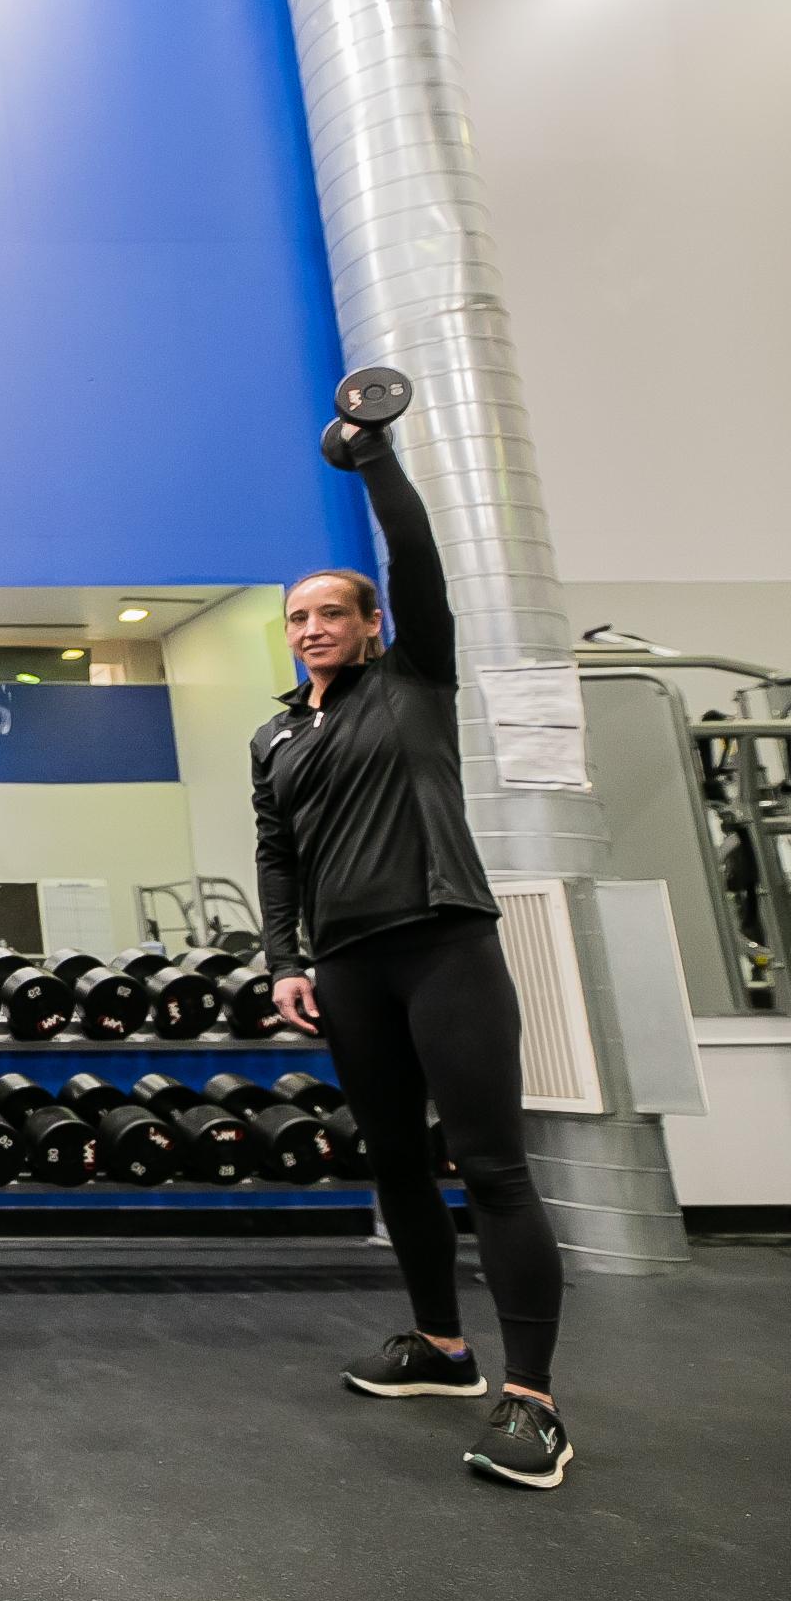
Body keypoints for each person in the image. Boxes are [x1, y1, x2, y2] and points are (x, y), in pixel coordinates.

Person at [253, 409, 571, 1488]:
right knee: (394, 1161)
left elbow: (419, 557)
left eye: (331, 611)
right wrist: (283, 961)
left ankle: (532, 1398)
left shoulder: (414, 680)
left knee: (489, 1165)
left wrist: (374, 455)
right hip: (345, 966)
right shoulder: (278, 732)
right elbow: (278, 855)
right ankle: (441, 1344)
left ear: (374, 623)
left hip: (443, 943)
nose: (311, 627)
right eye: (298, 616)